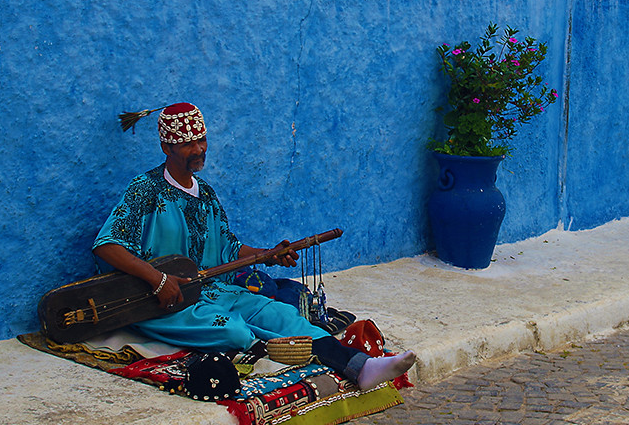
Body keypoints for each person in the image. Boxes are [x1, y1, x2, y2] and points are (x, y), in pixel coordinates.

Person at [93, 102, 416, 390]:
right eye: (188, 143)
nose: (198, 149)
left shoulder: (205, 193)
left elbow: (228, 247)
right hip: (164, 301)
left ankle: (361, 368)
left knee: (283, 315)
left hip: (214, 292)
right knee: (233, 332)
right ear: (166, 146)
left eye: (202, 140)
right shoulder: (145, 189)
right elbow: (106, 245)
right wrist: (158, 280)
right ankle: (262, 349)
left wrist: (268, 255)